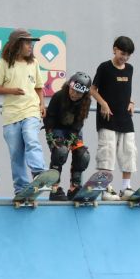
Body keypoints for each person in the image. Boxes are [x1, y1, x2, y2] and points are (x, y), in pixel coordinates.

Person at [0, 28, 48, 195]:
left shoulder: (34, 63)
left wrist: (42, 105)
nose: (31, 46)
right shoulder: (3, 63)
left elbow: (39, 87)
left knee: (31, 138)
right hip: (11, 115)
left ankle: (38, 172)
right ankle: (21, 189)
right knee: (16, 154)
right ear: (17, 44)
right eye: (27, 43)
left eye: (31, 43)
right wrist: (12, 90)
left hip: (31, 110)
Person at [90, 35, 137, 201]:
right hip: (107, 118)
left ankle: (125, 188)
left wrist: (131, 101)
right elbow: (93, 89)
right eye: (122, 53)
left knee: (129, 151)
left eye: (127, 55)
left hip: (125, 118)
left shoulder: (130, 69)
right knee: (107, 153)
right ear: (114, 49)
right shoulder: (104, 67)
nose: (124, 57)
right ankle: (105, 188)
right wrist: (103, 103)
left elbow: (126, 90)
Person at [43, 72, 93, 201]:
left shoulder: (85, 102)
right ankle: (54, 189)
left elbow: (79, 122)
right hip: (56, 128)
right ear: (69, 86)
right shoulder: (59, 96)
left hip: (73, 130)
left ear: (84, 94)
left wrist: (71, 138)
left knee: (82, 156)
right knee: (60, 152)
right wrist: (49, 134)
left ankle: (74, 189)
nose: (74, 94)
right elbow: (50, 117)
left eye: (79, 93)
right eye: (73, 90)